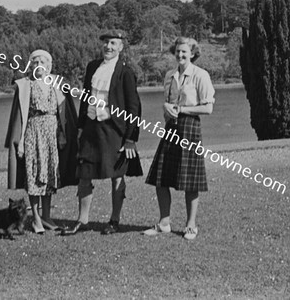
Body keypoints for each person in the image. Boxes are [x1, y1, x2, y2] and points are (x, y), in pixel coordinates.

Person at [62, 30, 142, 235]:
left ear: (121, 47)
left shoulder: (126, 72)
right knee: (84, 174)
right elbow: (86, 98)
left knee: (117, 175)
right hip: (91, 128)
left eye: (113, 43)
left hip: (114, 129)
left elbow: (134, 107)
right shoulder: (92, 67)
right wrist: (80, 127)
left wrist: (131, 138)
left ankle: (114, 220)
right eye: (106, 43)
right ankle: (83, 219)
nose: (108, 47)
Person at [143, 37, 215, 240]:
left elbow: (208, 107)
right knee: (160, 177)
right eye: (177, 51)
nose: (180, 55)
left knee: (190, 180)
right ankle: (164, 223)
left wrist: (182, 109)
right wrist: (167, 110)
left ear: (192, 53)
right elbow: (168, 103)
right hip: (170, 127)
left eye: (184, 52)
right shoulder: (169, 75)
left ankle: (191, 225)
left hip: (190, 126)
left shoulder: (200, 75)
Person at [5, 49, 78, 233]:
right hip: (33, 132)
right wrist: (20, 142)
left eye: (42, 63)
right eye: (35, 63)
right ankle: (36, 219)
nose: (39, 67)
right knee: (34, 175)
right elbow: (20, 117)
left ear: (49, 66)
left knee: (50, 175)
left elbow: (62, 112)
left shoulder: (57, 84)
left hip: (52, 132)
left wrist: (62, 134)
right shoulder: (26, 86)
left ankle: (46, 216)